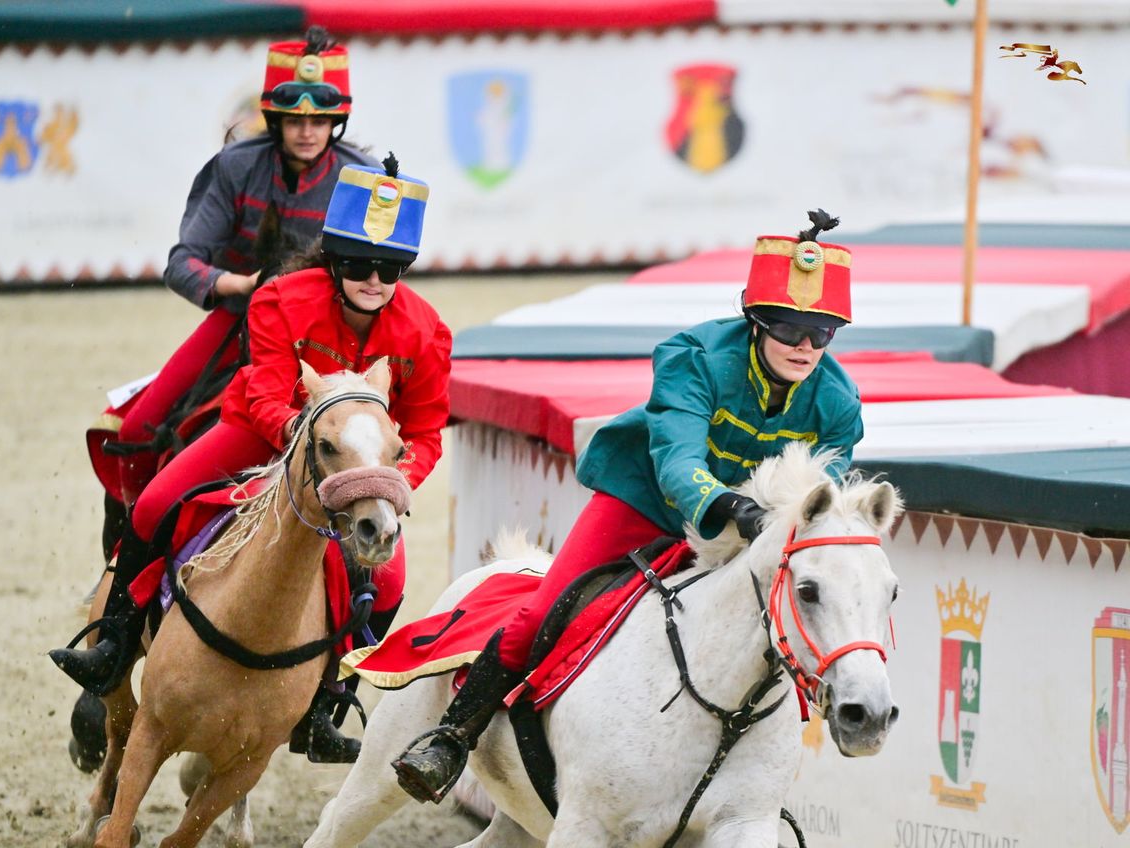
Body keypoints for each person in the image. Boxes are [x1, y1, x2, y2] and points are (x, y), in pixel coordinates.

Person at [391, 209, 865, 804]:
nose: (804, 345)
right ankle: (452, 737)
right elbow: (676, 460)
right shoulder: (692, 356)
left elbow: (823, 500)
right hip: (648, 503)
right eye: (787, 326)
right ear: (754, 319)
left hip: (749, 534)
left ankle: (751, 795)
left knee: (782, 643)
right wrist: (729, 506)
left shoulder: (841, 402)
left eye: (821, 332)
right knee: (544, 613)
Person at [52, 157, 452, 763]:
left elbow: (424, 430)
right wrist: (300, 435)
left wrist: (389, 481)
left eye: (392, 268)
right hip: (260, 433)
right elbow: (264, 393)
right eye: (361, 266)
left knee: (390, 577)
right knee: (157, 501)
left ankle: (327, 701)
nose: (376, 280)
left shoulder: (427, 332)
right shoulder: (279, 299)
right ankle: (112, 644)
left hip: (353, 468)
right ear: (335, 261)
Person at [112, 27, 377, 512]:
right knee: (136, 430)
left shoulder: (365, 178)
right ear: (273, 118)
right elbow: (182, 262)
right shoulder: (234, 168)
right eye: (294, 119)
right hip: (241, 316)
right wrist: (247, 285)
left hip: (329, 333)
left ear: (335, 122)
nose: (306, 131)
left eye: (320, 119)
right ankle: (126, 554)